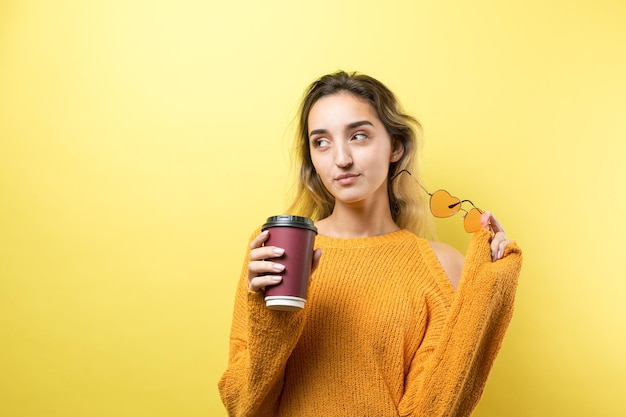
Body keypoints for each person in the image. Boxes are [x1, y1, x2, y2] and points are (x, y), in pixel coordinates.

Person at [218, 71, 523, 417]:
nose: (341, 159)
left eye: (358, 136)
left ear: (396, 146)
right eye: (321, 142)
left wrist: (487, 293)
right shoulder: (278, 248)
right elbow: (244, 407)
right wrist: (271, 319)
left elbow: (434, 408)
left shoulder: (442, 266)